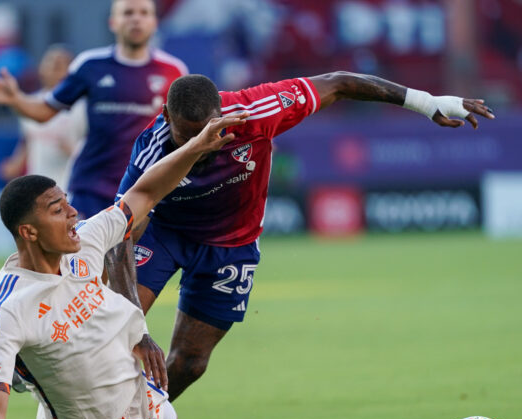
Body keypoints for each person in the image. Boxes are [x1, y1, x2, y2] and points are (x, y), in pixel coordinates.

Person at [108, 72, 495, 401]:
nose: (203, 148)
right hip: (165, 234)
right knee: (114, 332)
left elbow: (339, 83)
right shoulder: (150, 151)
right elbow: (121, 234)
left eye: (211, 134)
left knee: (192, 362)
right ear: (166, 117)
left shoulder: (257, 110)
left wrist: (427, 103)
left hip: (231, 244)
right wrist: (135, 327)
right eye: (188, 139)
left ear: (222, 114)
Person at [0, 112, 247, 419]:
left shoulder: (84, 242)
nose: (73, 214)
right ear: (28, 232)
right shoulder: (5, 309)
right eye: (57, 209)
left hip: (132, 387)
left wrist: (196, 146)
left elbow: (144, 194)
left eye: (67, 203)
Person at [0, 0, 188, 218]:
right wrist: (16, 100)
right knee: (82, 255)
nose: (136, 19)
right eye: (128, 13)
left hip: (146, 188)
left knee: (133, 256)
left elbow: (184, 132)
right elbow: (45, 112)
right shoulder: (90, 65)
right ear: (113, 22)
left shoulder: (174, 71)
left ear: (154, 22)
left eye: (144, 13)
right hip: (92, 188)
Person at [0, 45, 86, 187]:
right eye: (50, 62)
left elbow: (95, 147)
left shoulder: (81, 107)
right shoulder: (30, 103)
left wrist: (74, 152)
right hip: (37, 187)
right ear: (41, 69)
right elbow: (28, 140)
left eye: (60, 65)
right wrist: (15, 164)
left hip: (70, 186)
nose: (54, 67)